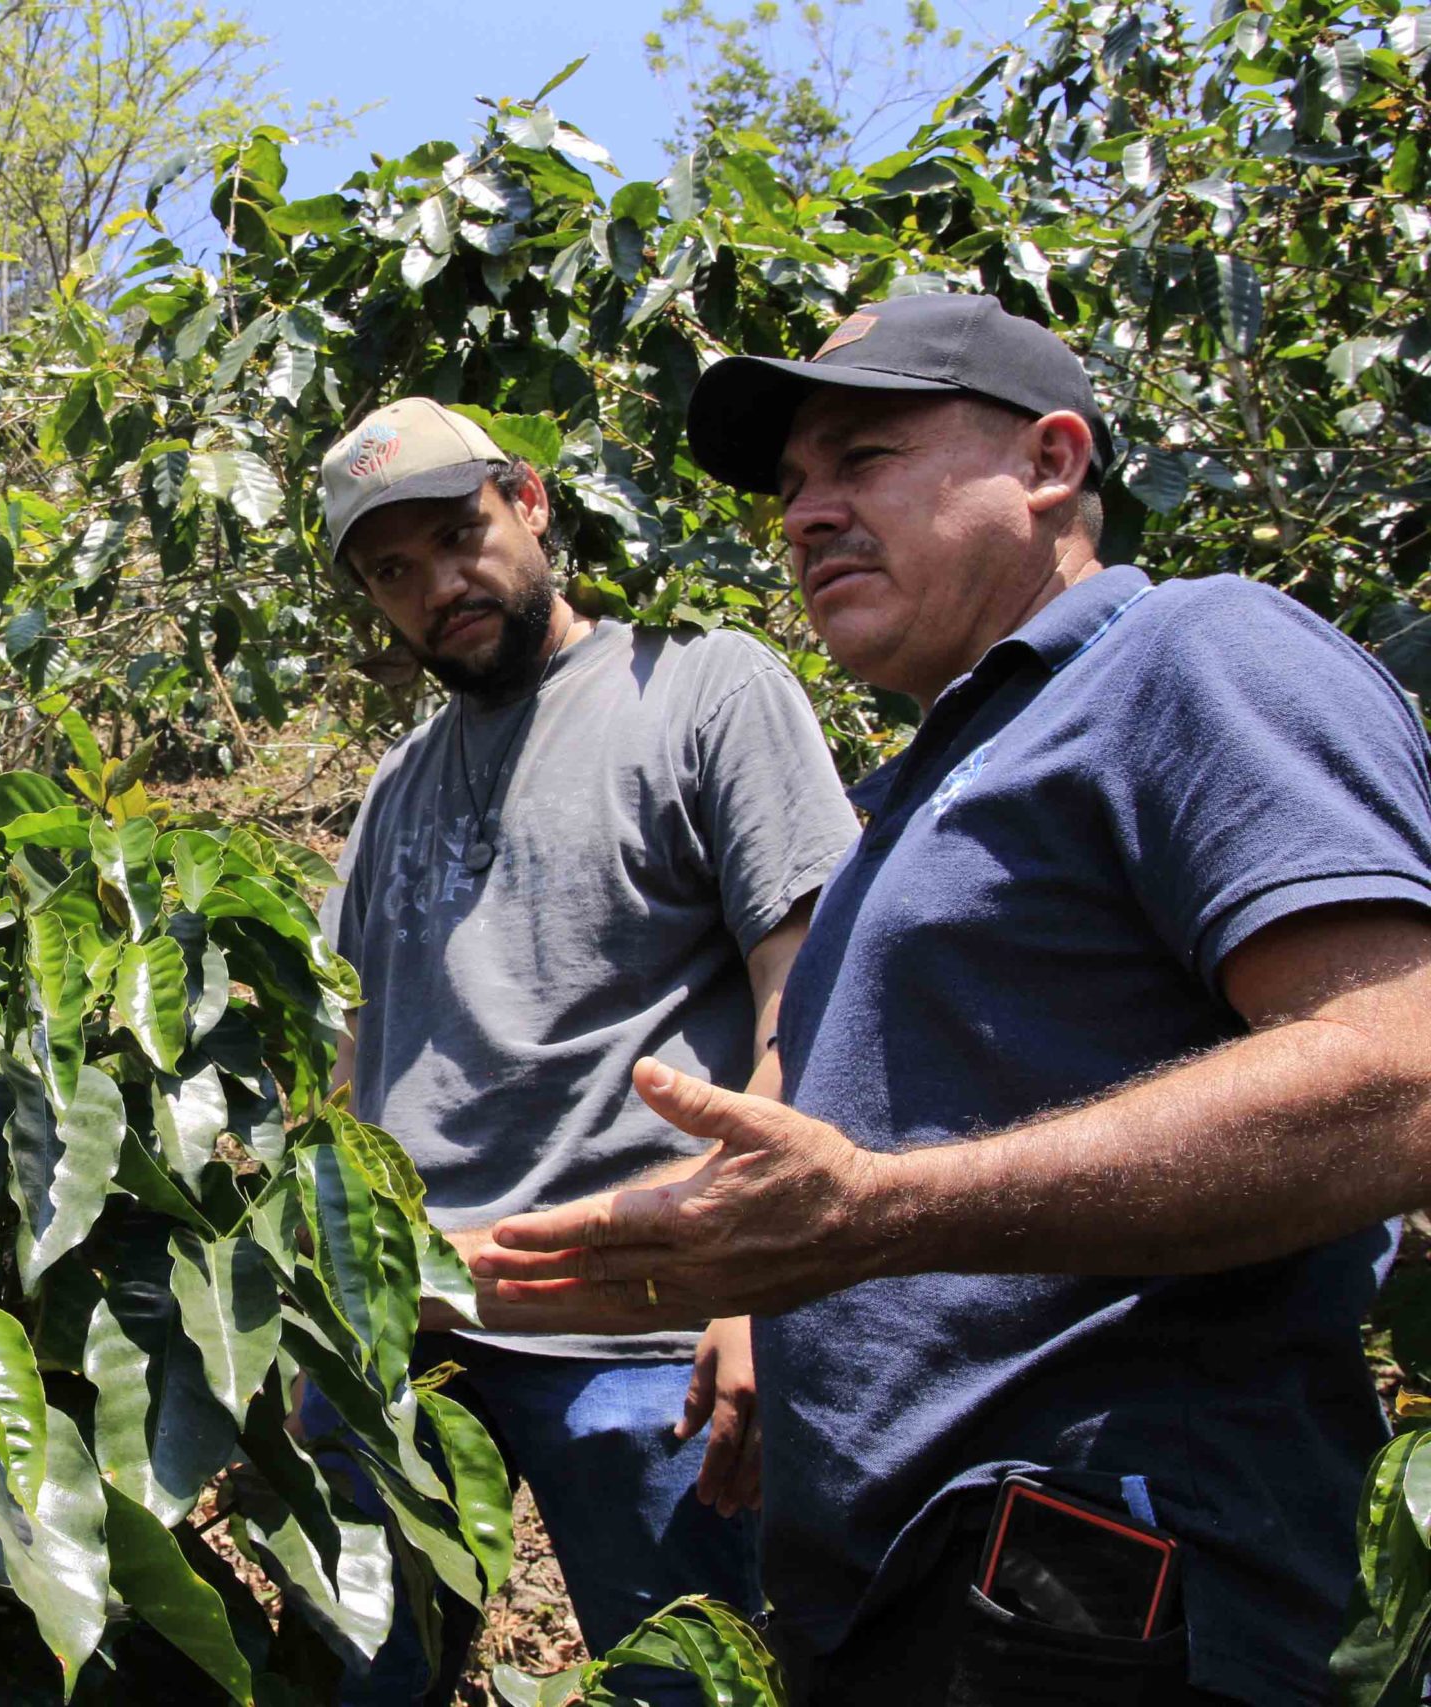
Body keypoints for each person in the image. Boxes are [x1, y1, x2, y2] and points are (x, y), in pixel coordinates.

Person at [471, 292, 1431, 1704]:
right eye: (794, 486)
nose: (806, 515)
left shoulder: (1192, 656)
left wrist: (876, 1214)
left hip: (1110, 1594)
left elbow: (1399, 1076)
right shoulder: (913, 796)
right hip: (906, 1602)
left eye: (863, 458)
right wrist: (752, 1281)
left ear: (1050, 464)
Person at [307, 397, 859, 1704]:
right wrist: (320, 1309)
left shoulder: (702, 688)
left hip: (640, 1334)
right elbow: (347, 1058)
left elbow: (819, 998)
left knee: (682, 1682)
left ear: (531, 502)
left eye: (460, 535)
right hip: (410, 1338)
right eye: (395, 572)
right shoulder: (397, 785)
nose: (441, 586)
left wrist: (762, 1288)